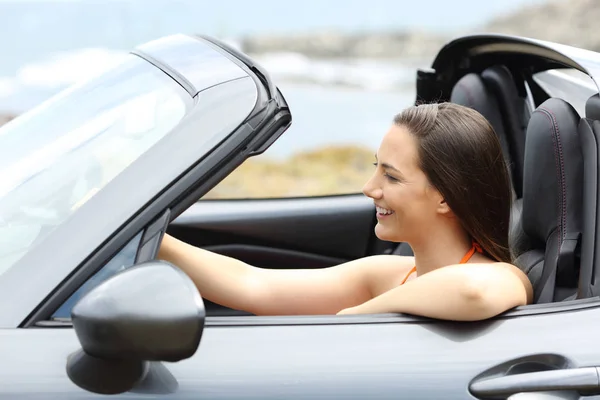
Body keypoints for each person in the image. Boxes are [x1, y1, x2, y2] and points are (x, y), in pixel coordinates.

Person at [158, 102, 533, 321]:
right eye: (375, 167)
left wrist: (354, 318)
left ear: (446, 198)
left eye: (391, 176)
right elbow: (254, 285)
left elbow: (474, 293)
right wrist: (153, 239)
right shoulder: (394, 274)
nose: (370, 188)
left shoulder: (501, 276)